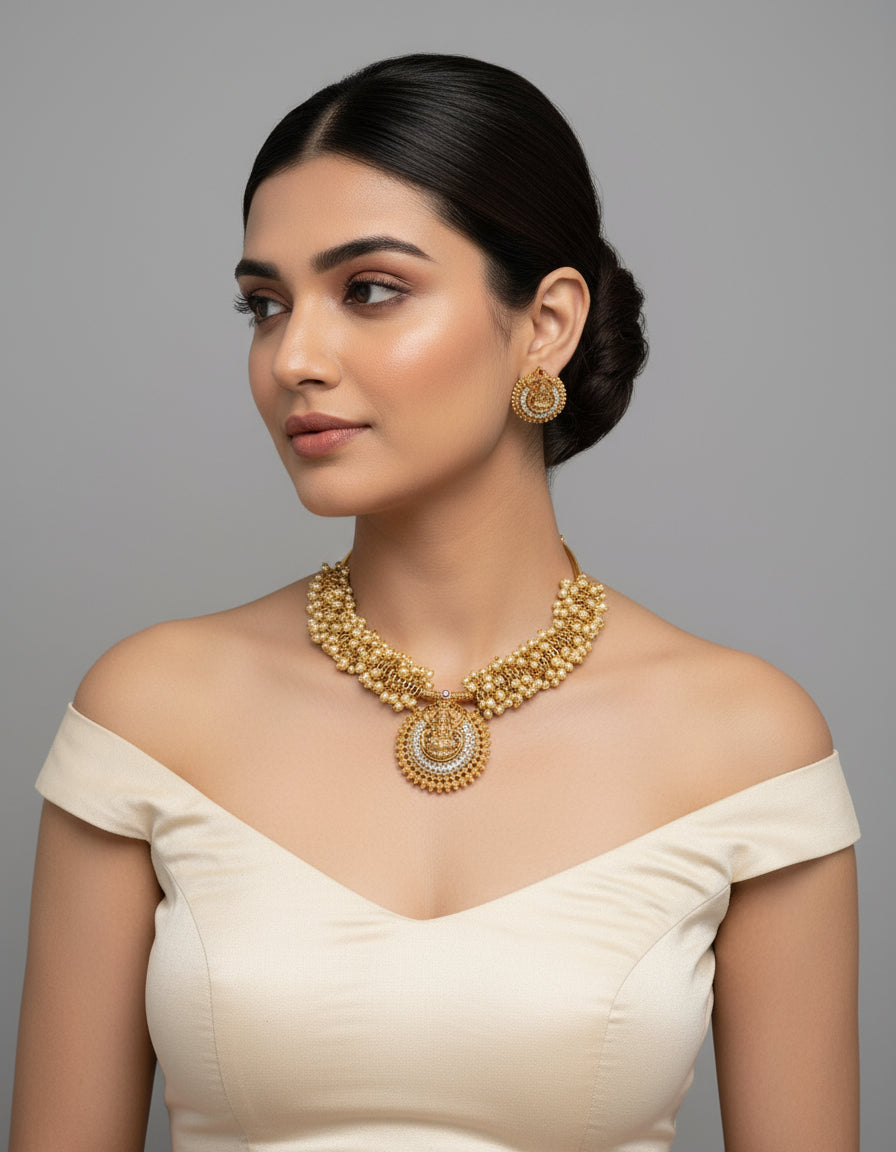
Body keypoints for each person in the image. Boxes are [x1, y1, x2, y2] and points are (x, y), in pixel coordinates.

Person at [10, 54, 859, 1152]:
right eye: (263, 305)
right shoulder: (150, 712)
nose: (293, 358)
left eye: (369, 289)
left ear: (545, 323)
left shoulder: (744, 743)